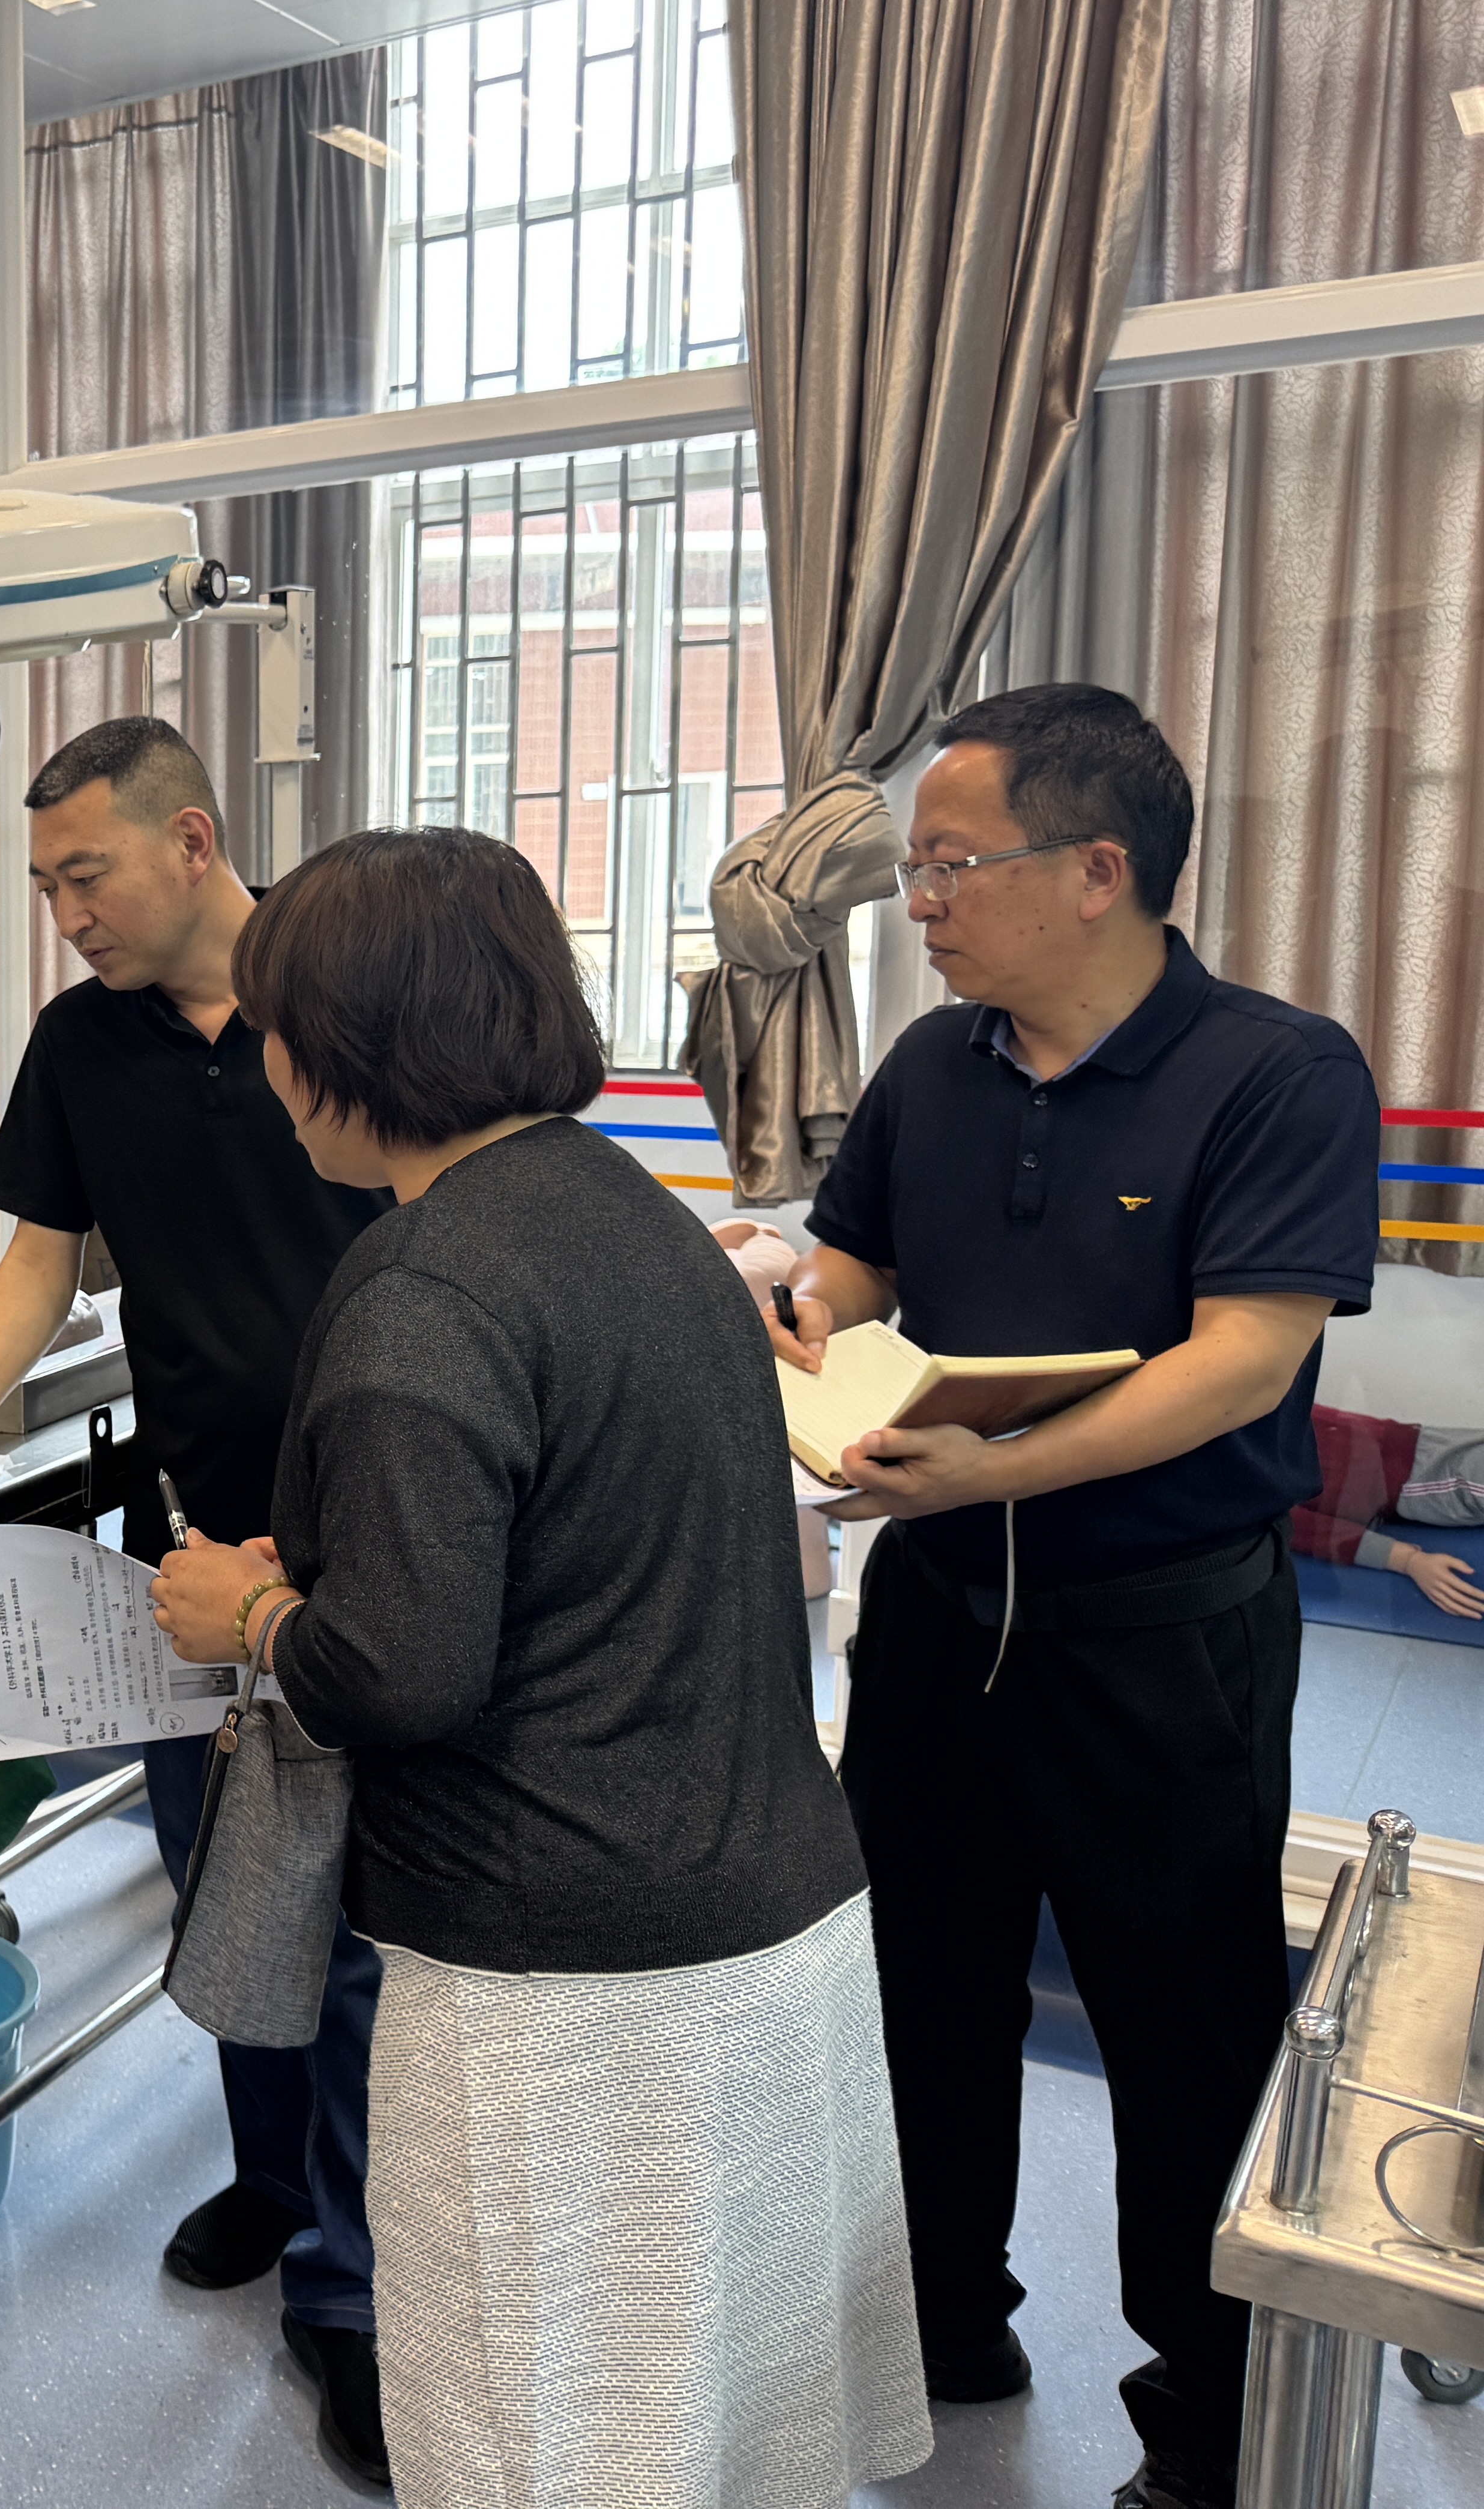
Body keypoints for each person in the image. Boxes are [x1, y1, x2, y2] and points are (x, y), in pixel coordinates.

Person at [149, 825, 930, 2507]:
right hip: (765, 1913)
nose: (266, 1065)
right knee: (709, 2420)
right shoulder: (639, 1215)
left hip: (564, 1985)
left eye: (278, 1028)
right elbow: (576, 1543)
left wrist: (252, 1617)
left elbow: (399, 1679)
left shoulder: (423, 1287)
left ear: (345, 1042)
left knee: (539, 2435)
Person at [761, 684, 1380, 2509]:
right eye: (916, 870)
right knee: (916, 1991)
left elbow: (1244, 1360)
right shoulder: (929, 1065)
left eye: (951, 865)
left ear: (1097, 871)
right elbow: (858, 1263)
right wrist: (805, 1312)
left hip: (1159, 1636)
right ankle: (940, 2322)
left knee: (1182, 2030)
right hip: (938, 1619)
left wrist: (1000, 1471)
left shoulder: (1277, 1075)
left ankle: (1202, 2424)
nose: (918, 903)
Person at [0, 715, 396, 2483]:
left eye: (84, 875)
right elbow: (40, 1259)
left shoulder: (344, 991)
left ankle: (351, 2288)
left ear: (193, 839)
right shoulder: (79, 1045)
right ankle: (271, 2181)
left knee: (357, 1939)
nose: (66, 913)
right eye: (44, 886)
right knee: (223, 1894)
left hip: (371, 1539)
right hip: (195, 1550)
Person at [1295, 1403, 1483, 1616]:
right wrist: (1408, 1561)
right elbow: (1299, 1527)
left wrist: (1407, 1561)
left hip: (1411, 1465)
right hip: (1408, 1464)